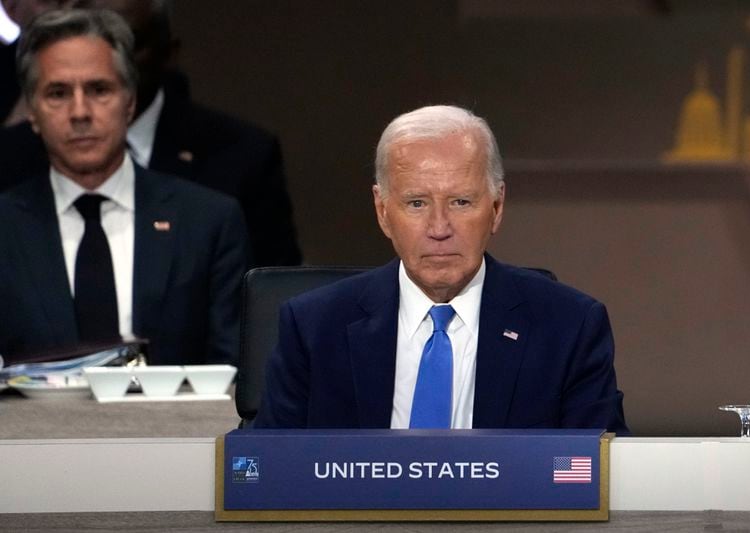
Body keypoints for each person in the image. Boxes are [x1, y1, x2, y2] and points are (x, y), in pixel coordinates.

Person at [253, 105, 629, 433]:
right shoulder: (314, 328)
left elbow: (595, 474)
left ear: (496, 208)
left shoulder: (569, 327)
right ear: (383, 212)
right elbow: (270, 472)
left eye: (461, 202)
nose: (439, 228)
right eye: (416, 203)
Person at [0, 8, 249, 365]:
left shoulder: (208, 222)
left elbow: (236, 375)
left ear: (129, 102)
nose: (80, 112)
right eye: (57, 93)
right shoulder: (5, 228)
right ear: (33, 115)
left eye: (99, 89)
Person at [0, 0, 302, 266]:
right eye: (57, 93)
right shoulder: (11, 160)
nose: (80, 111)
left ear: (168, 52)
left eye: (130, 45)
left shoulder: (238, 163)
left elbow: (268, 302)